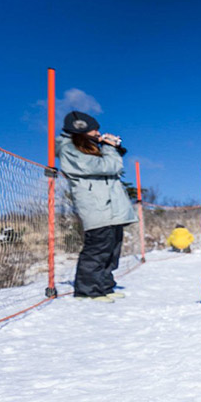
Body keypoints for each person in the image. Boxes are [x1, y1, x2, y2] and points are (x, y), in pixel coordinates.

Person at [55, 110, 137, 302]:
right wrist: (109, 148)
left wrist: (110, 147)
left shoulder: (90, 147)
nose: (98, 134)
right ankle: (87, 290)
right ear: (82, 130)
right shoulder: (70, 150)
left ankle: (105, 286)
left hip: (112, 208)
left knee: (112, 250)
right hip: (96, 208)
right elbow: (108, 167)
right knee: (97, 250)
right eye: (94, 131)